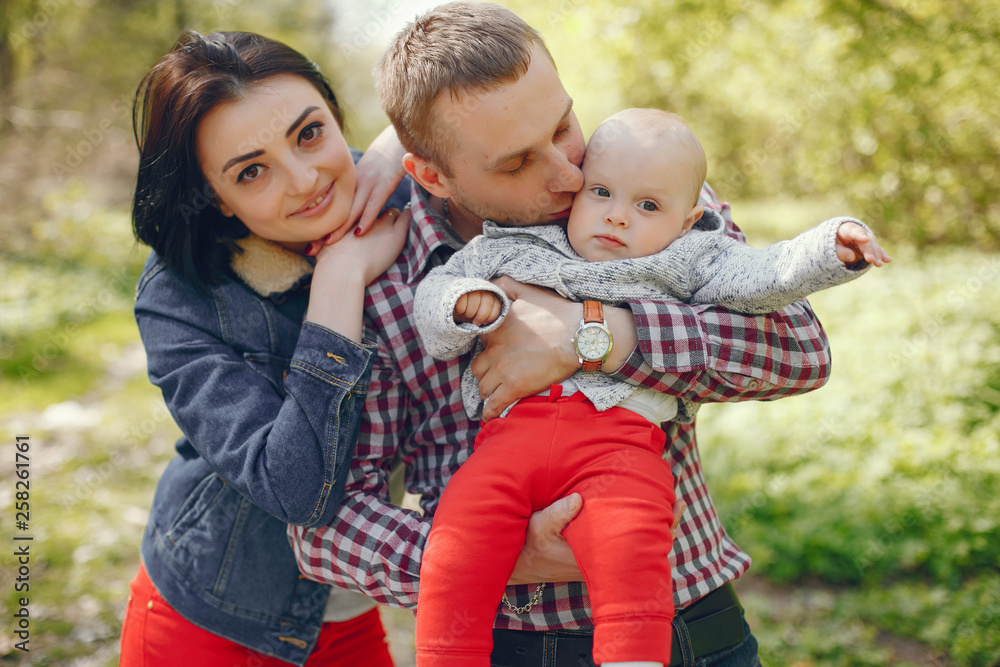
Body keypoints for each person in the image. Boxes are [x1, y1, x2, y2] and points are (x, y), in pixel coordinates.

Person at [290, 3, 839, 666]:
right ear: (433, 176)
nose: (569, 174)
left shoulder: (644, 188)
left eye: (562, 125)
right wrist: (502, 555)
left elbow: (800, 352)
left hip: (684, 620)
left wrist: (599, 333)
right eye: (517, 162)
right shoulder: (386, 283)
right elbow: (322, 522)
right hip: (500, 639)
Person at [410, 107, 890, 666]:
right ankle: (445, 656)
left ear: (686, 221)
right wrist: (462, 305)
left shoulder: (688, 257)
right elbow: (437, 292)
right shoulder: (516, 245)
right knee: (457, 537)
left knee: (630, 539)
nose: (617, 218)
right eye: (602, 193)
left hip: (620, 446)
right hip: (508, 444)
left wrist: (831, 246)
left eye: (647, 207)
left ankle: (632, 655)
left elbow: (764, 273)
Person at [119, 30, 411, 665]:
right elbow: (298, 492)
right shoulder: (178, 296)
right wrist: (341, 277)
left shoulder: (400, 196)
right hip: (214, 618)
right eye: (252, 171)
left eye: (310, 133)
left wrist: (396, 146)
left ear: (335, 116)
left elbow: (484, 79)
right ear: (216, 199)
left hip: (350, 607)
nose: (306, 180)